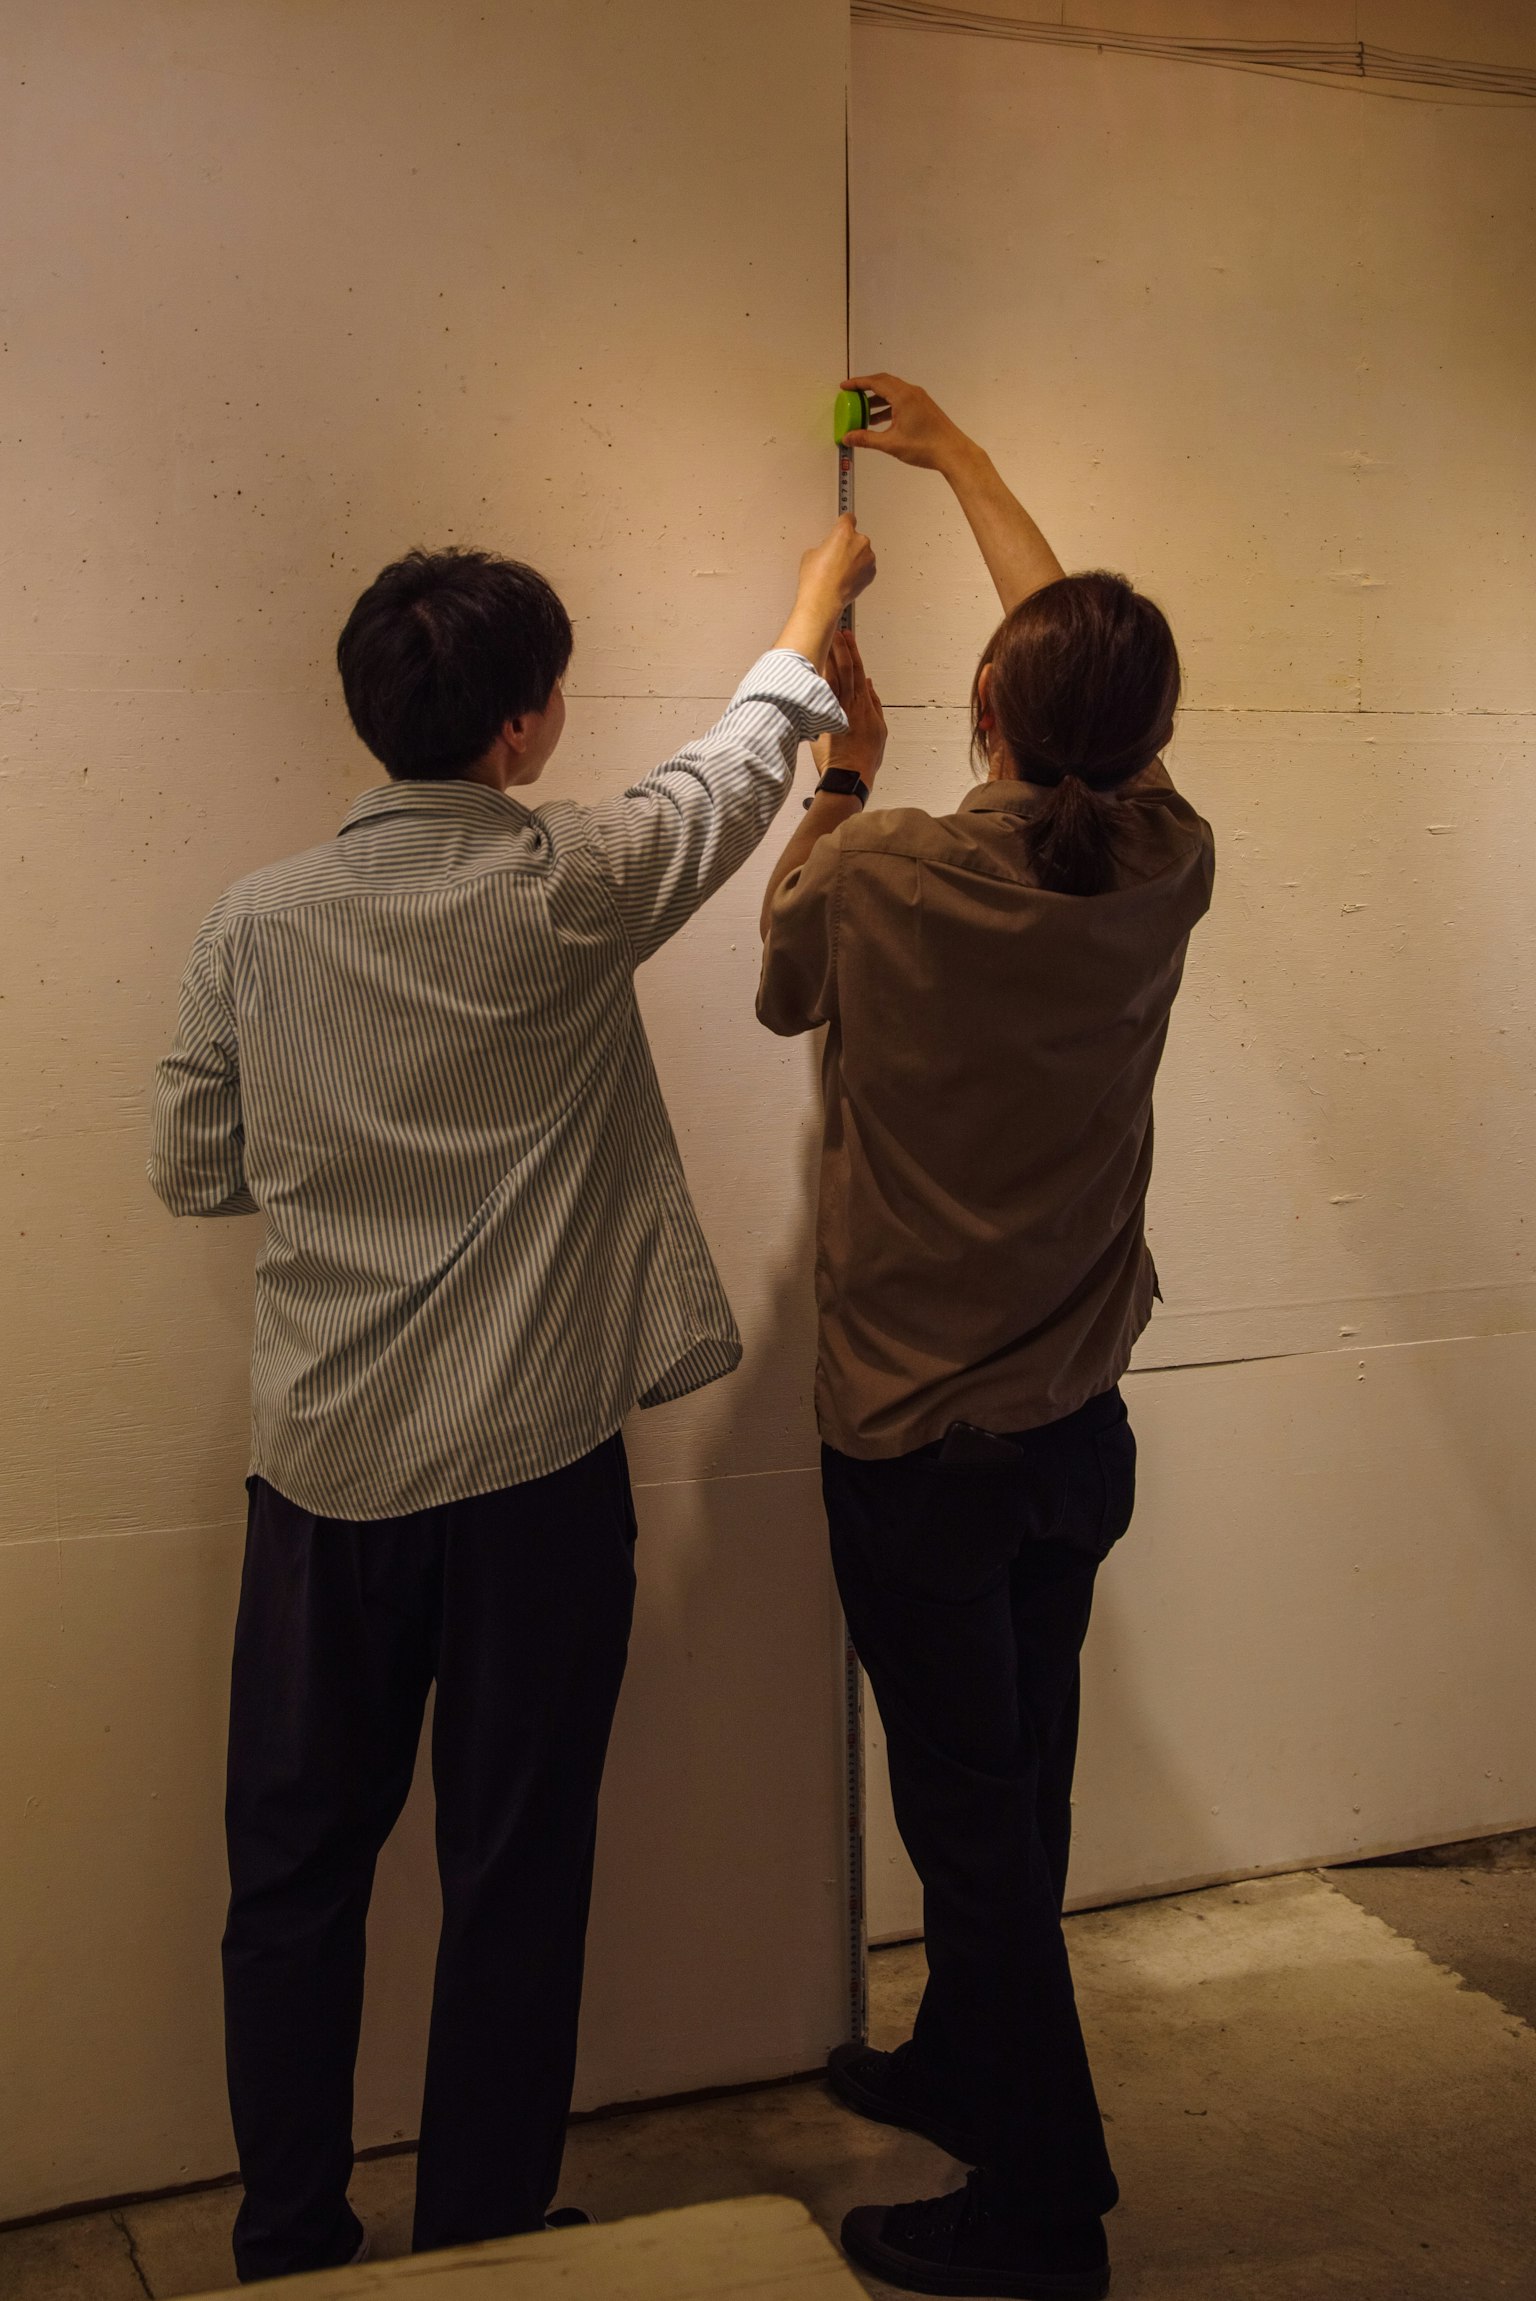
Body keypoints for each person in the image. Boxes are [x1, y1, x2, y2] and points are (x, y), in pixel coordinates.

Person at [148, 512, 874, 2281]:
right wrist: (811, 604)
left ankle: (289, 2237)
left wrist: (347, 1162)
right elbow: (733, 770)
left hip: (321, 1481)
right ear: (531, 724)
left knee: (292, 1880)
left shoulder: (254, 924)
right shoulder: (568, 884)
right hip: (534, 1484)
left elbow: (191, 1162)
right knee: (516, 1867)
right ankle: (478, 2235)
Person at [759, 375, 1214, 2301]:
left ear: (989, 716)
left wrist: (842, 770)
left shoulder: (880, 873)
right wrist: (954, 462)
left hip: (917, 1449)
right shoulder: (1167, 862)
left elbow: (782, 984)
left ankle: (1046, 2213)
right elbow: (1090, 689)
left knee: (971, 1829)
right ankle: (962, 2058)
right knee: (1016, 1785)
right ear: (1153, 740)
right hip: (1072, 1429)